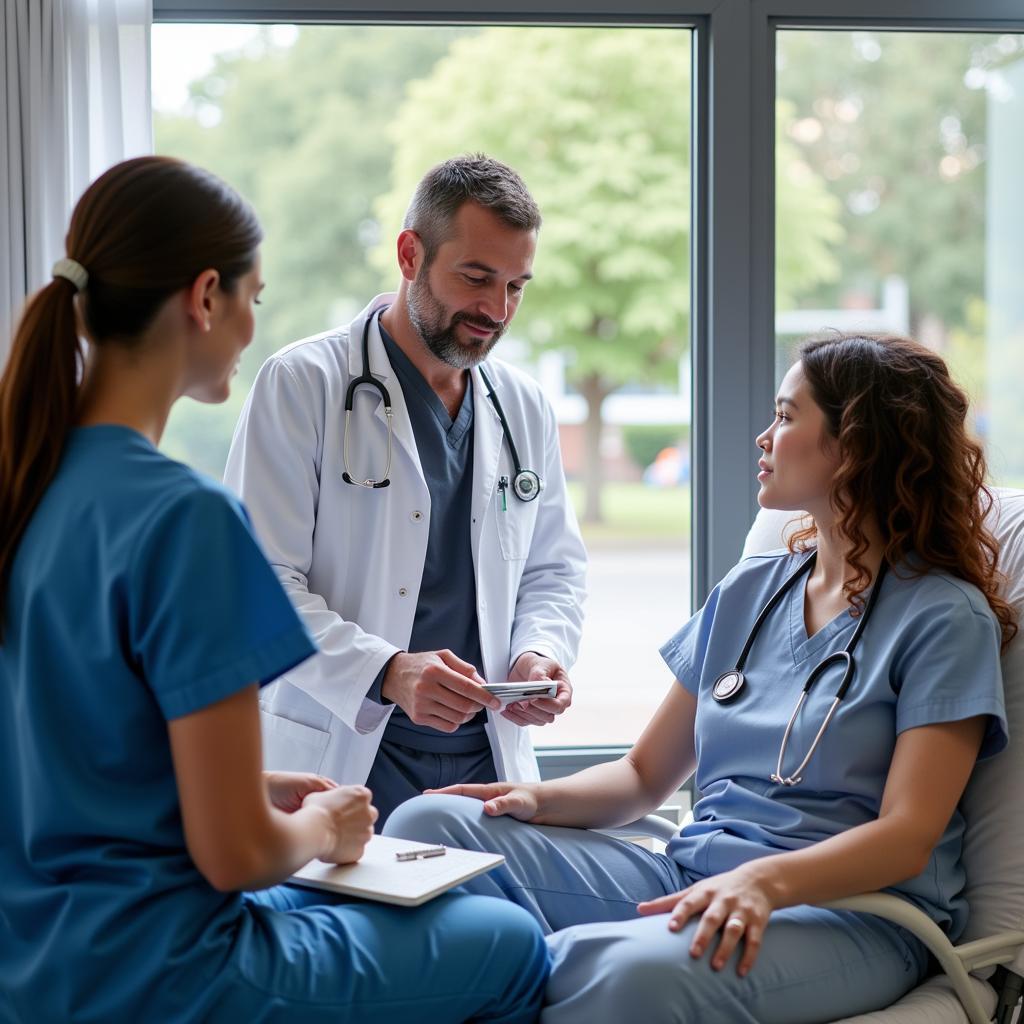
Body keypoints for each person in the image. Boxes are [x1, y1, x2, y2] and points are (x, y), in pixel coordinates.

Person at [0, 155, 548, 1023]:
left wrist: (260, 788)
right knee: (511, 943)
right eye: (254, 297)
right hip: (164, 962)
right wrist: (327, 827)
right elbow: (236, 858)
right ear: (205, 297)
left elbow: (80, 755)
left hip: (36, 950)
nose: (255, 325)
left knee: (432, 913)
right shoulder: (185, 518)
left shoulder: (29, 484)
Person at [384, 333, 1014, 1024]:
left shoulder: (942, 617)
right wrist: (533, 799)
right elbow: (641, 777)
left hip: (848, 914)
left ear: (853, 446)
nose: (763, 436)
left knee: (625, 977)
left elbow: (907, 833)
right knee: (429, 826)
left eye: (786, 416)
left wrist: (764, 879)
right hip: (694, 873)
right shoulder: (751, 591)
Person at [223, 153, 587, 826]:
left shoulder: (522, 405)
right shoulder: (303, 384)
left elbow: (553, 568)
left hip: (486, 762)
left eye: (516, 286)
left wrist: (541, 652)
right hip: (348, 750)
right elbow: (257, 586)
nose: (496, 309)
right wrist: (387, 671)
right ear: (410, 253)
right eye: (477, 278)